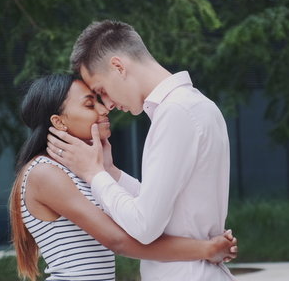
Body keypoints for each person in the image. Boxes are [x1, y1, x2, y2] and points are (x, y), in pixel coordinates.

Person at [46, 20, 235, 280]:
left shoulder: (175, 113)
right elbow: (164, 203)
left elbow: (145, 226)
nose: (108, 104)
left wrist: (94, 174)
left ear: (118, 67)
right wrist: (110, 172)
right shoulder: (199, 106)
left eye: (102, 91)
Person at [10, 74, 237, 281]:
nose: (103, 109)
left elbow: (145, 212)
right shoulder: (45, 173)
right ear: (59, 122)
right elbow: (119, 241)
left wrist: (107, 169)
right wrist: (205, 249)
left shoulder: (83, 170)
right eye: (90, 104)